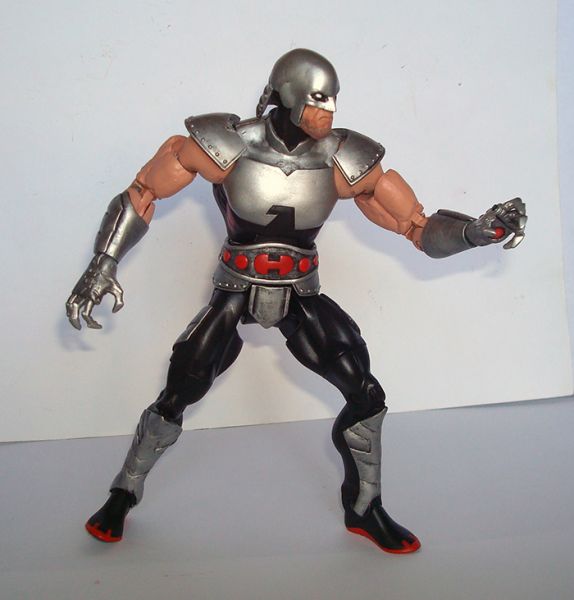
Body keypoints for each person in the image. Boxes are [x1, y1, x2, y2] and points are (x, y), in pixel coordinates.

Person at [66, 48, 527, 554]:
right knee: (181, 388)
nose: (328, 110)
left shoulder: (344, 159)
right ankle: (123, 491)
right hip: (235, 287)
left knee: (366, 395)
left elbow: (415, 226)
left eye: (333, 99)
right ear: (286, 95)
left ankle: (364, 507)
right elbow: (142, 192)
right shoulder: (225, 143)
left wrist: (473, 233)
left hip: (301, 291)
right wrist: (103, 262)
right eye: (317, 99)